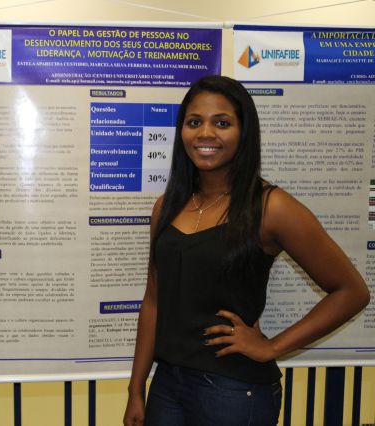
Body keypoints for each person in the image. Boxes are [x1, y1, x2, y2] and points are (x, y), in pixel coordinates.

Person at [123, 75, 370, 426]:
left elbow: (352, 291)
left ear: (244, 132)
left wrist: (272, 347)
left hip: (233, 391)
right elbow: (153, 301)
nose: (206, 133)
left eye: (222, 123)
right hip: (167, 384)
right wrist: (136, 388)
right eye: (194, 122)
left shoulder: (270, 207)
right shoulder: (166, 206)